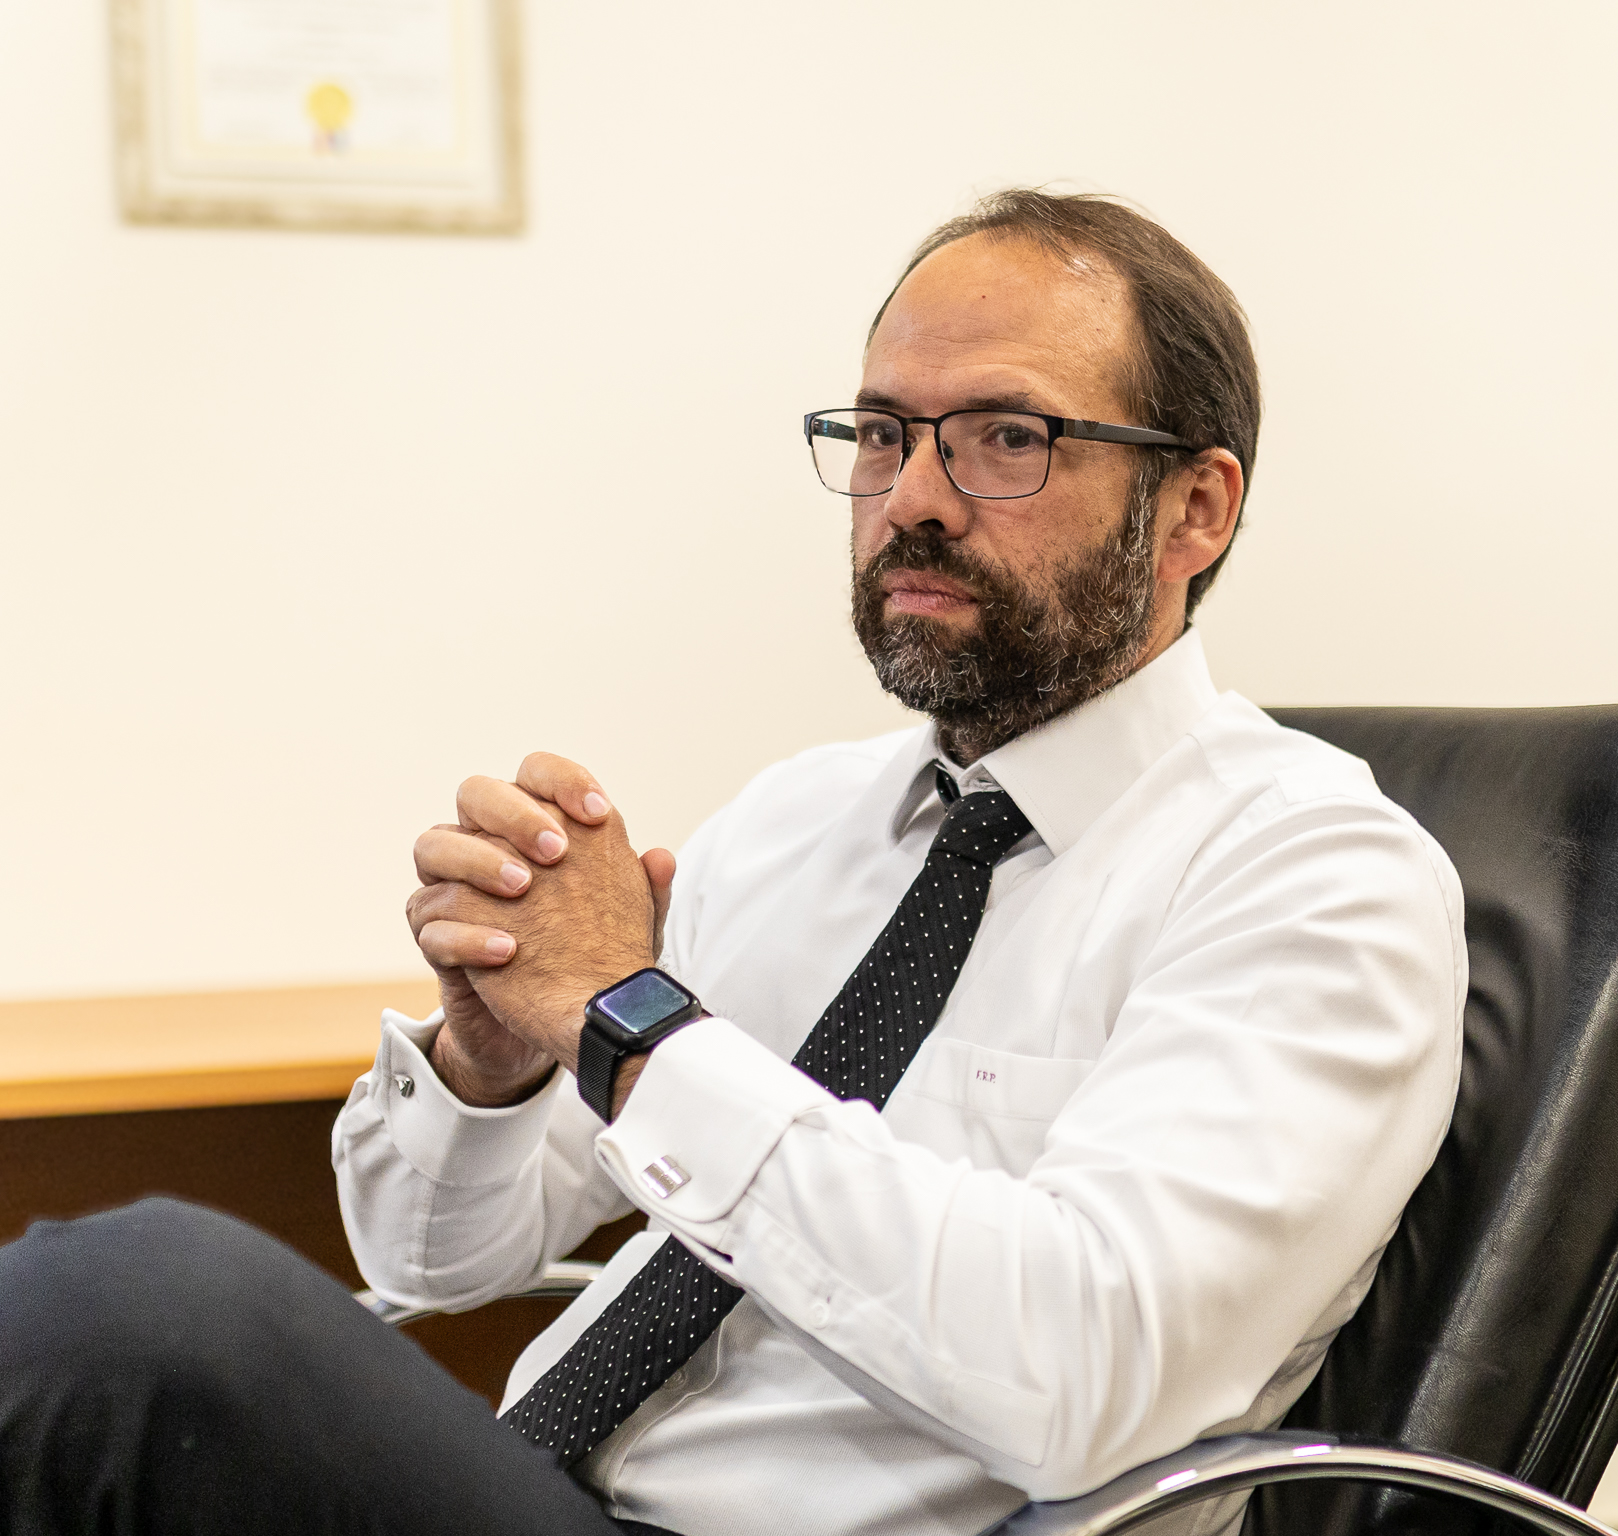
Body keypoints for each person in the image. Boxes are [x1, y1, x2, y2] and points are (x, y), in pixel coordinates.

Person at [0, 190, 1464, 1536]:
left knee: (132, 1313)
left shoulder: (1314, 875)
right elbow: (430, 1258)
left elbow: (1084, 1379)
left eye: (1004, 437)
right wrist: (493, 1060)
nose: (913, 497)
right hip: (548, 1490)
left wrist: (630, 1023)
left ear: (1195, 509)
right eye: (882, 434)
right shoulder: (795, 821)